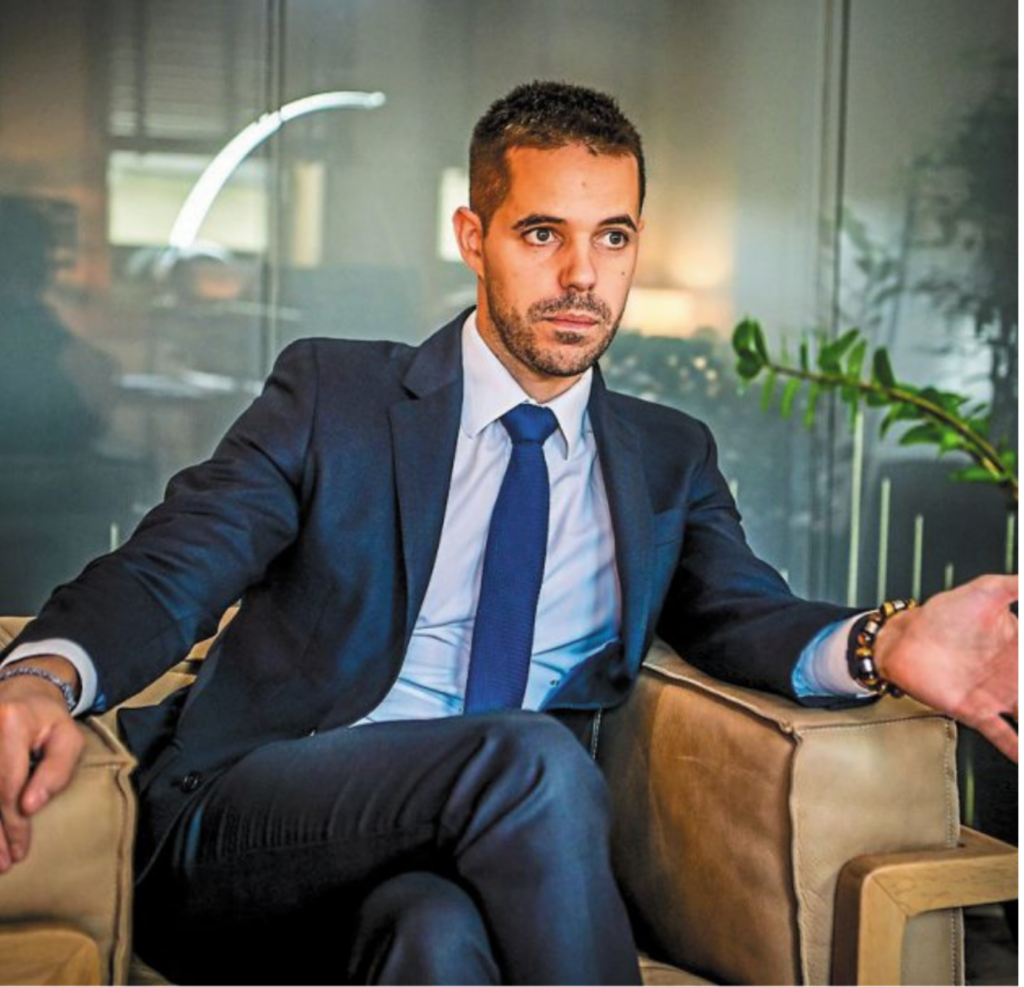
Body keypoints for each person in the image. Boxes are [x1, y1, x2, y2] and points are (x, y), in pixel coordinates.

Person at [0, 81, 1016, 985]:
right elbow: (173, 566)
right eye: (541, 234)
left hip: (450, 864)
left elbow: (741, 612)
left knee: (436, 938)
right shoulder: (335, 398)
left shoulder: (666, 456)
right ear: (473, 236)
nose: (581, 275)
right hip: (251, 819)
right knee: (527, 755)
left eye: (611, 237)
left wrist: (886, 640)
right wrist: (43, 674)